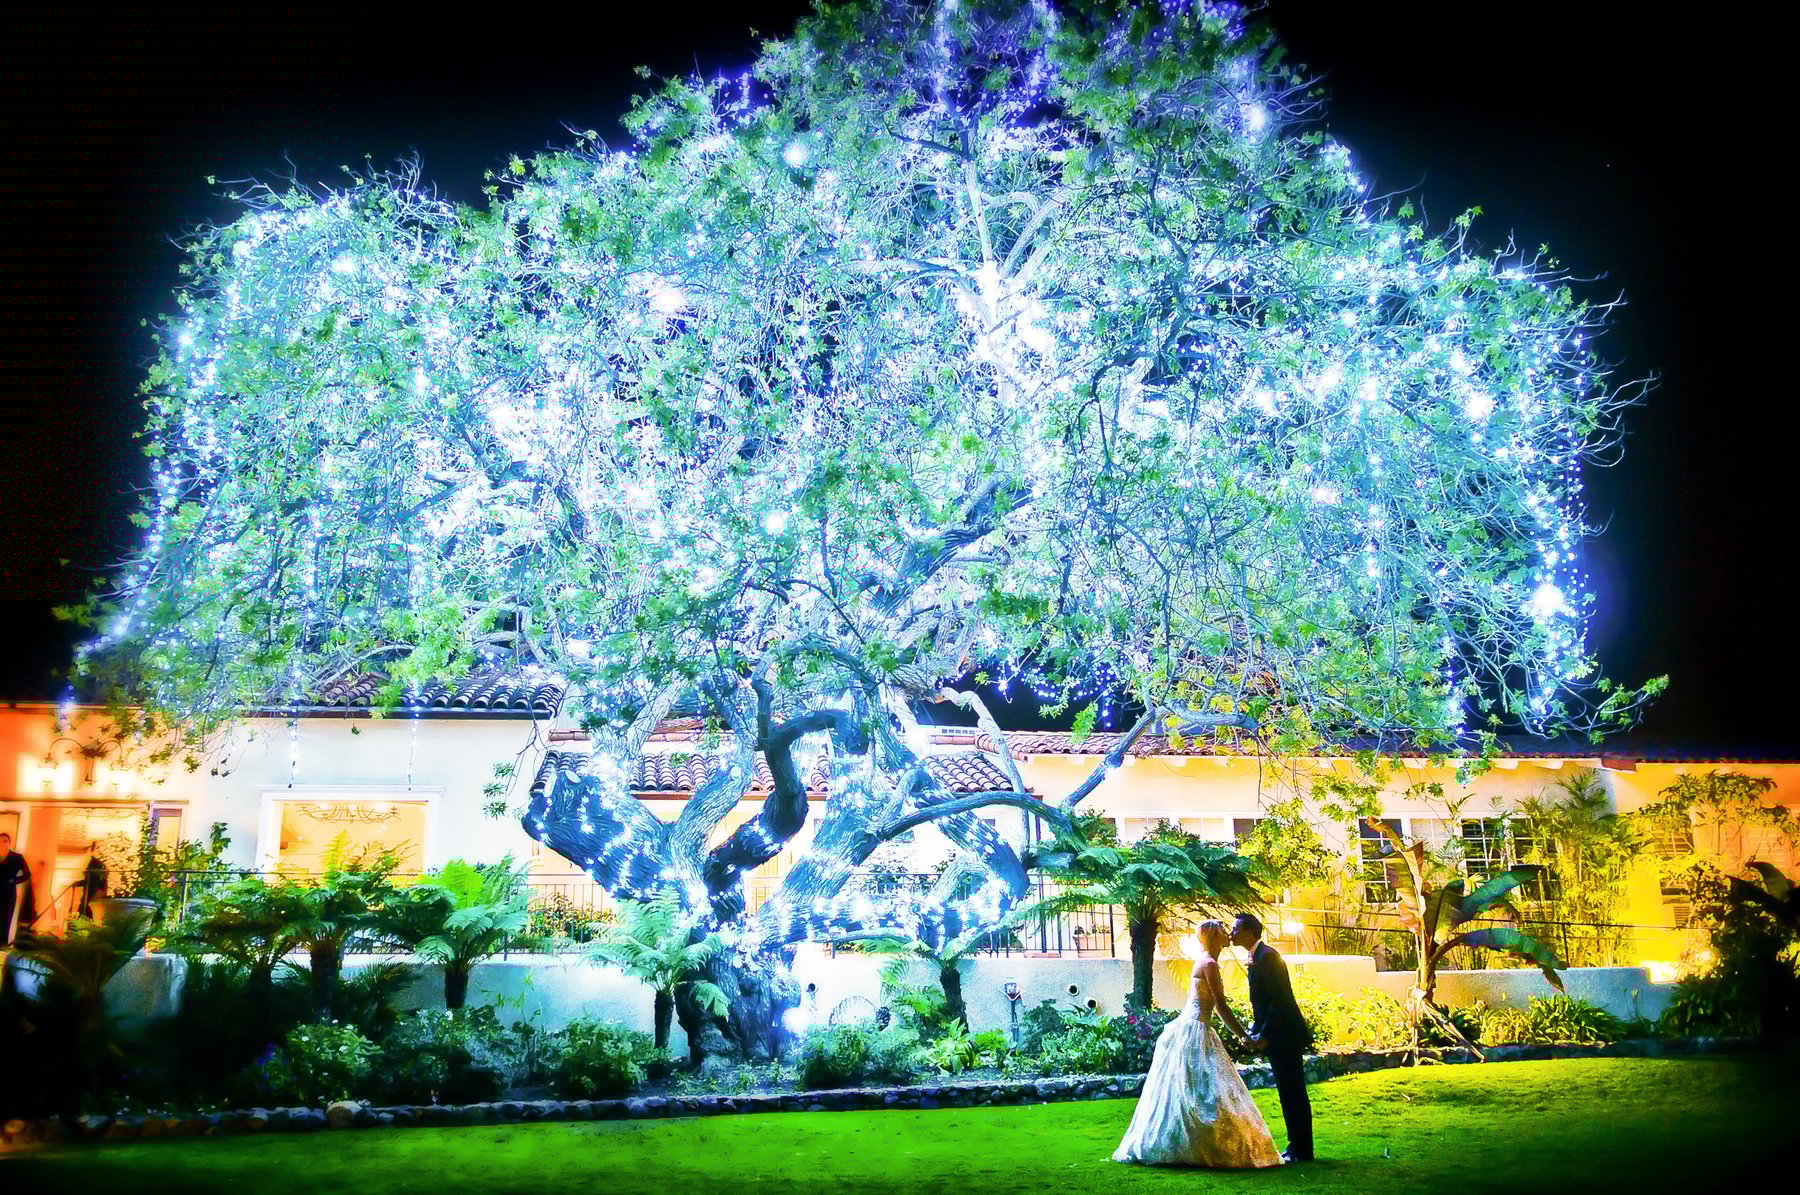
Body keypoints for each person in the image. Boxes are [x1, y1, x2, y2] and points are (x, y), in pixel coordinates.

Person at [1112, 919, 1281, 1169]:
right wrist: (1243, 1035)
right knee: (1199, 1090)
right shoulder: (1209, 963)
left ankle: (1190, 1144)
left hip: (1198, 1027)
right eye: (1224, 931)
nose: (1229, 935)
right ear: (1214, 936)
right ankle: (1197, 1145)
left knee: (1198, 1089)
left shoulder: (1207, 961)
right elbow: (1220, 1006)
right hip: (1195, 1029)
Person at [1232, 911, 1315, 1163]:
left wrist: (1264, 1035)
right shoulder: (1257, 956)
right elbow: (1263, 1002)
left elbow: (1279, 1001)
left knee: (1293, 1092)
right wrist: (1256, 1031)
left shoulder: (1268, 957)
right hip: (1277, 1034)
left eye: (1236, 929)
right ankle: (1297, 1145)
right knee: (1287, 1092)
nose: (1232, 933)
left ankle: (1302, 1149)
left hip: (1285, 1035)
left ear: (1249, 932)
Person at [1, 832, 29, 947]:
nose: (2, 843)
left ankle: (2, 945)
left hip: (9, 893)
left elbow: (27, 874)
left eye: (5, 841)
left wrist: (14, 881)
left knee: (5, 920)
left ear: (9, 843)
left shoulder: (17, 857)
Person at [77, 841, 108, 920]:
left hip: (93, 891)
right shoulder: (96, 863)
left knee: (87, 908)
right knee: (85, 908)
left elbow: (95, 879)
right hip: (92, 891)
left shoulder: (97, 863)